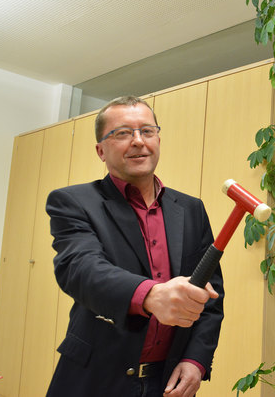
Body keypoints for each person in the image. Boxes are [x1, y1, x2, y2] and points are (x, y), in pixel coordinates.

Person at [46, 96, 224, 397]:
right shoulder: (74, 202)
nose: (138, 141)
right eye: (123, 133)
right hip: (95, 378)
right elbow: (80, 269)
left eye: (147, 131)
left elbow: (210, 296)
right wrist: (151, 295)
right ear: (101, 150)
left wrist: (196, 361)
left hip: (167, 382)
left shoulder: (192, 209)